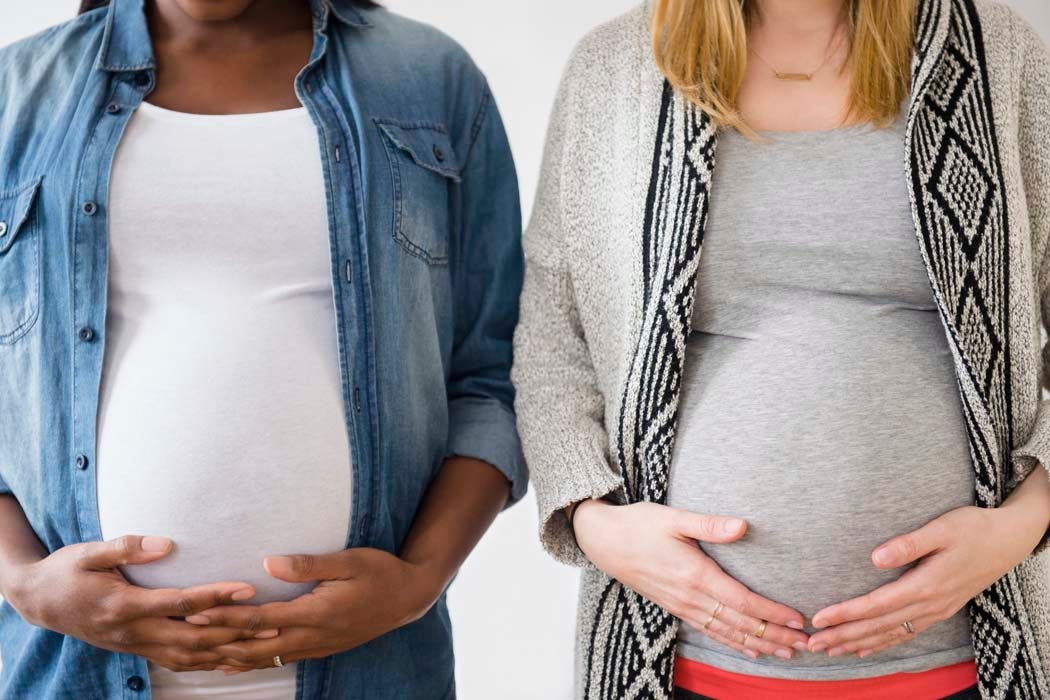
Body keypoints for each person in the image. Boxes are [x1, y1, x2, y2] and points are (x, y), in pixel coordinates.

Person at [514, 0, 1050, 698]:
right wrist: (594, 523)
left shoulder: (996, 53)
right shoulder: (616, 67)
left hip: (964, 654)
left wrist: (1028, 516)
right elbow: (553, 333)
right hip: (678, 657)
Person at [0, 0, 525, 698]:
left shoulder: (430, 79)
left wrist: (417, 583)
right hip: (69, 670)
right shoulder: (20, 90)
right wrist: (23, 581)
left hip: (374, 670)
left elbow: (494, 375)